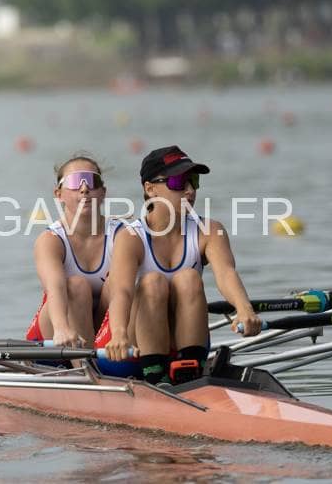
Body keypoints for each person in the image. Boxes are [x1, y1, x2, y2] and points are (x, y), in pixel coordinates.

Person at [101, 145, 262, 384]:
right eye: (178, 182)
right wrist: (119, 334)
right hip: (127, 351)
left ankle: (188, 372)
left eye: (193, 181)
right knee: (153, 282)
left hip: (184, 344)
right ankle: (155, 375)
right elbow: (121, 292)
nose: (189, 191)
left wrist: (244, 309)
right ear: (150, 189)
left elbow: (226, 273)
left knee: (189, 278)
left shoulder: (210, 230)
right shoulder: (131, 236)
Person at [25, 155, 119, 348]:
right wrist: (61, 328)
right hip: (55, 333)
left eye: (92, 181)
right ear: (58, 194)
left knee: (118, 282)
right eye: (75, 182)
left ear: (103, 192)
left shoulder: (121, 234)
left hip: (103, 327)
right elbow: (55, 287)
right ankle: (84, 360)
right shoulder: (50, 240)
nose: (84, 188)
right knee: (76, 286)